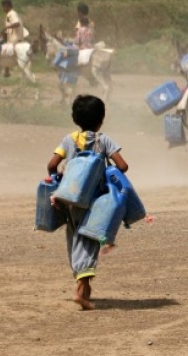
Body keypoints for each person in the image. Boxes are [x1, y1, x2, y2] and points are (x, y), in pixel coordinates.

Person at [46, 95, 129, 310]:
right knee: (89, 242)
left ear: (75, 118)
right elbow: (123, 166)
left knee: (74, 239)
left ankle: (84, 287)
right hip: (95, 201)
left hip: (70, 200)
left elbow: (52, 164)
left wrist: (60, 180)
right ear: (101, 119)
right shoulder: (104, 140)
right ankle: (81, 291)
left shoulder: (68, 139)